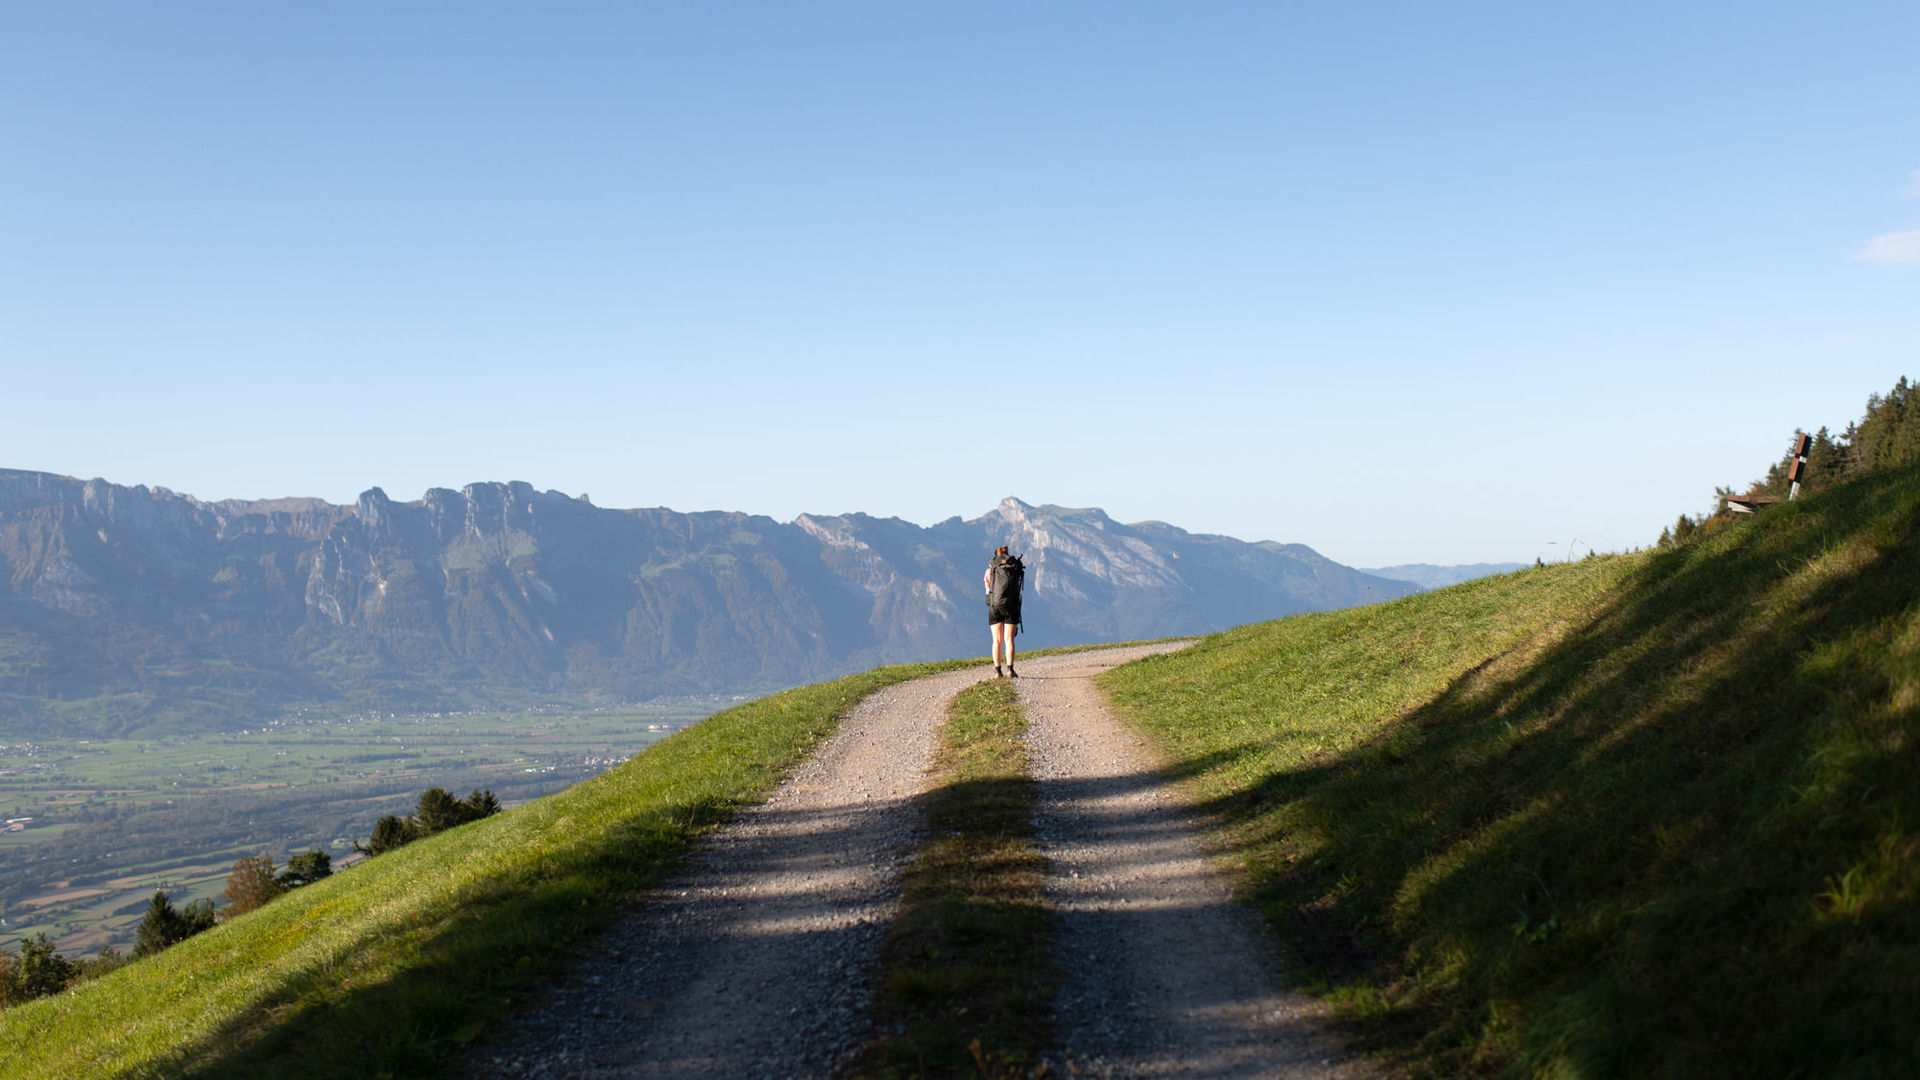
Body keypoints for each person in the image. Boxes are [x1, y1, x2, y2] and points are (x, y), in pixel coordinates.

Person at [984, 545, 1024, 677]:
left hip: (994, 607)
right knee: (1009, 639)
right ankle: (1010, 670)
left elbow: (987, 589)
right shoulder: (1014, 568)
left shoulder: (990, 571)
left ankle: (997, 671)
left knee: (996, 640)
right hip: (1011, 605)